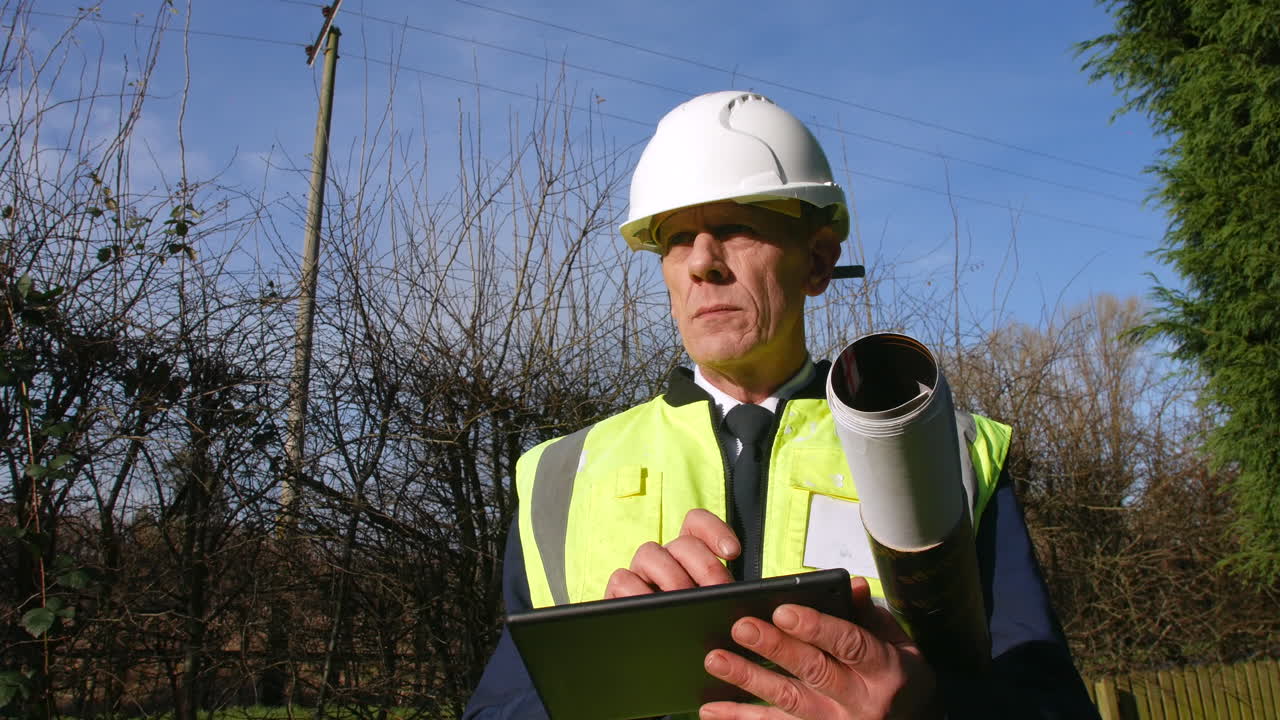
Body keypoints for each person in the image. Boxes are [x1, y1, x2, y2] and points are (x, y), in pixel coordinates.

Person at [463, 91, 1099, 719]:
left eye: (737, 227)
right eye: (678, 239)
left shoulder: (944, 450)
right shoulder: (561, 479)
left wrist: (928, 710)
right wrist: (603, 669)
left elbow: (1048, 703)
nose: (703, 264)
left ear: (818, 260)